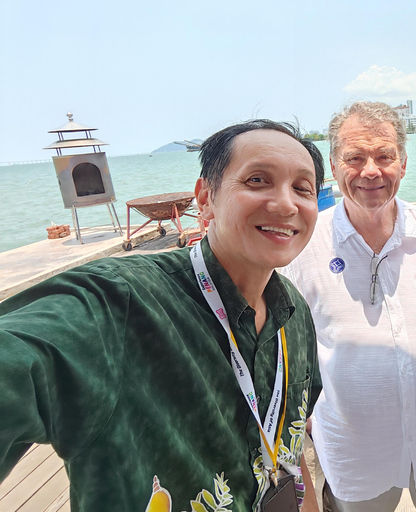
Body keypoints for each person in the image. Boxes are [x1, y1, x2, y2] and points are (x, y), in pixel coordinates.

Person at [0, 120, 325, 512]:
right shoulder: (120, 304)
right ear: (205, 199)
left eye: (303, 189)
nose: (286, 204)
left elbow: (289, 440)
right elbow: (22, 358)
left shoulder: (292, 309)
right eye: (257, 180)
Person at [282, 101, 416, 512]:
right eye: (355, 157)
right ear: (332, 164)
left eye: (385, 156)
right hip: (354, 449)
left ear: (403, 163)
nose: (371, 170)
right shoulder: (304, 245)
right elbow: (283, 344)